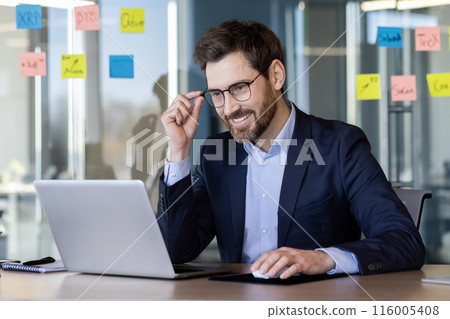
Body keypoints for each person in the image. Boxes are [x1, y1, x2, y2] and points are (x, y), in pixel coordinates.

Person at [157, 20, 425, 279]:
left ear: (276, 75)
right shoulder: (216, 155)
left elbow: (404, 242)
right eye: (217, 94)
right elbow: (175, 250)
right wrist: (179, 151)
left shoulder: (340, 145)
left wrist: (322, 258)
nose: (228, 109)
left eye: (239, 88)